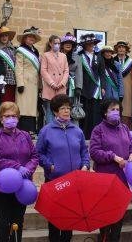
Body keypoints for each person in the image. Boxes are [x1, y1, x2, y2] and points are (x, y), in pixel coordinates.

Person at [36, 94, 90, 242]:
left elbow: (84, 152)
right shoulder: (46, 131)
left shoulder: (77, 131)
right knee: (54, 221)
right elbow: (38, 154)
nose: (66, 111)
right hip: (55, 182)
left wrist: (85, 165)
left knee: (69, 221)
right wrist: (50, 165)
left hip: (74, 183)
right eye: (63, 108)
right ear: (55, 111)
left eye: (68, 108)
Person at [0, 102, 38, 242]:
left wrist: (28, 169)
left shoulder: (25, 135)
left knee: (18, 222)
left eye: (14, 116)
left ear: (18, 118)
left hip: (23, 186)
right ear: (1, 118)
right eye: (7, 116)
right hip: (3, 187)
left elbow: (34, 156)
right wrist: (16, 167)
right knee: (4, 222)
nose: (11, 118)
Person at [89, 99, 132, 242]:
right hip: (105, 180)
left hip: (122, 180)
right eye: (112, 110)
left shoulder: (125, 128)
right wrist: (113, 157)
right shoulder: (98, 130)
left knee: (118, 217)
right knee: (105, 217)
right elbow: (94, 152)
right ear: (105, 112)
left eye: (117, 109)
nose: (116, 112)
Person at [15, 27, 41, 133]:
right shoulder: (21, 50)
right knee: (23, 107)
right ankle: (22, 129)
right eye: (29, 36)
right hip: (25, 83)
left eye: (33, 37)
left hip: (34, 84)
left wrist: (40, 86)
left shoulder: (36, 51)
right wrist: (20, 83)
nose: (31, 38)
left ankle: (30, 129)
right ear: (24, 38)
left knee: (32, 108)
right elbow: (18, 67)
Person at [40, 35, 69, 124]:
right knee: (49, 110)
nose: (57, 45)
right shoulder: (45, 55)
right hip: (50, 87)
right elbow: (43, 70)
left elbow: (66, 70)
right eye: (55, 43)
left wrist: (62, 83)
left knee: (61, 108)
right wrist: (51, 83)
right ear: (50, 44)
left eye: (58, 43)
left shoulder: (63, 56)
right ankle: (50, 129)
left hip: (60, 86)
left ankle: (61, 128)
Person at [113, 41, 132, 129]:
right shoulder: (112, 61)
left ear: (126, 50)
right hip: (115, 88)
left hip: (128, 89)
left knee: (127, 111)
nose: (121, 49)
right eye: (119, 47)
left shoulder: (131, 62)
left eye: (123, 47)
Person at [0, 27, 17, 102]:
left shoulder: (13, 49)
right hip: (2, 79)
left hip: (13, 80)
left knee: (12, 102)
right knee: (4, 102)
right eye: (2, 36)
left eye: (6, 35)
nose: (4, 38)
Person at [60, 32, 82, 103]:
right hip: (58, 84)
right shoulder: (57, 55)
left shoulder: (77, 57)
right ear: (62, 45)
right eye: (66, 42)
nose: (68, 44)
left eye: (70, 43)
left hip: (71, 86)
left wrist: (78, 87)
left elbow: (79, 72)